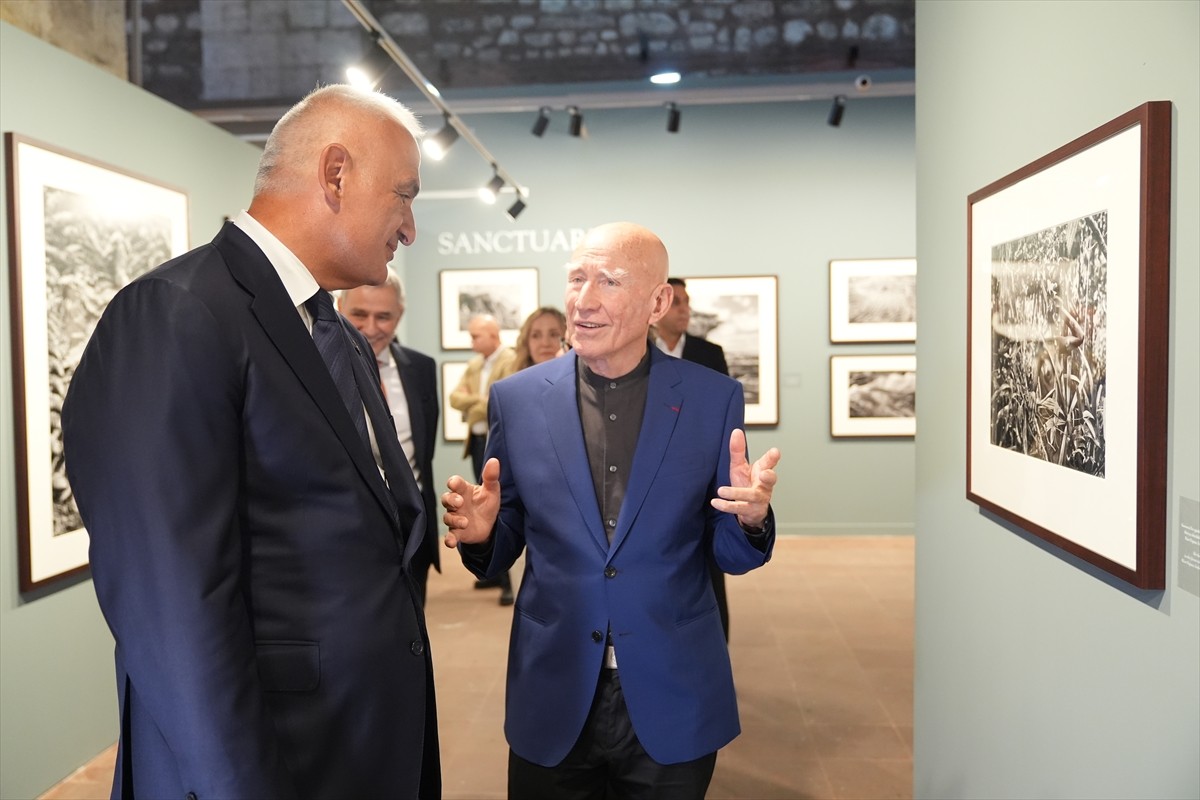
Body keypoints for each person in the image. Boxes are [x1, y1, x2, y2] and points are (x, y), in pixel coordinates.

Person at [61, 85, 440, 799]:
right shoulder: (177, 314)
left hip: (356, 744)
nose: (410, 227)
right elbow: (174, 606)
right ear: (335, 175)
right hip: (266, 763)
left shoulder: (337, 337)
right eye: (404, 196)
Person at [442, 221, 781, 799]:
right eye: (576, 278)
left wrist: (749, 520)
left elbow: (727, 552)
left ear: (658, 302)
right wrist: (481, 534)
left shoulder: (710, 398)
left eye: (609, 281)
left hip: (672, 685)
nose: (584, 299)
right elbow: (507, 538)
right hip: (553, 685)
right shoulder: (517, 400)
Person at [339, 269, 441, 605]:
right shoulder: (316, 369)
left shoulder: (421, 369)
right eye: (359, 314)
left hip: (414, 531)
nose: (370, 328)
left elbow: (422, 452)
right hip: (346, 535)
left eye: (384, 316)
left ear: (399, 315)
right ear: (339, 306)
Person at [653, 276, 733, 640]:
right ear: (659, 305)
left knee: (707, 564)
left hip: (697, 474)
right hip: (650, 475)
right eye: (679, 302)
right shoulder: (638, 350)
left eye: (687, 303)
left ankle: (714, 642)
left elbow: (723, 417)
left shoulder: (708, 353)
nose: (685, 309)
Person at [449, 313, 517, 604]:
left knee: (500, 505)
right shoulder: (476, 364)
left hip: (499, 442)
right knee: (481, 503)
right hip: (476, 441)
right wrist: (482, 403)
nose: (472, 341)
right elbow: (454, 398)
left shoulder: (511, 360)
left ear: (494, 334)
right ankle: (491, 572)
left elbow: (501, 403)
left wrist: (476, 402)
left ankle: (506, 580)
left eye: (476, 335)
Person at [493, 306, 569, 378]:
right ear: (526, 342)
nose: (545, 343)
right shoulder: (513, 383)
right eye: (536, 335)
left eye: (554, 335)